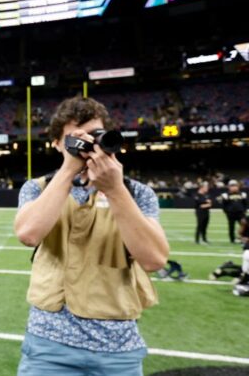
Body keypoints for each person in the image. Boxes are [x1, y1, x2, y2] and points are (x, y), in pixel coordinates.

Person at [14, 96, 169, 376]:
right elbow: (28, 234)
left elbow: (155, 259)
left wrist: (115, 190)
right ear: (57, 144)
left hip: (119, 348)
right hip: (48, 347)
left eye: (95, 136)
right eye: (75, 138)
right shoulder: (37, 188)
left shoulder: (138, 193)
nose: (87, 146)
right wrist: (69, 168)